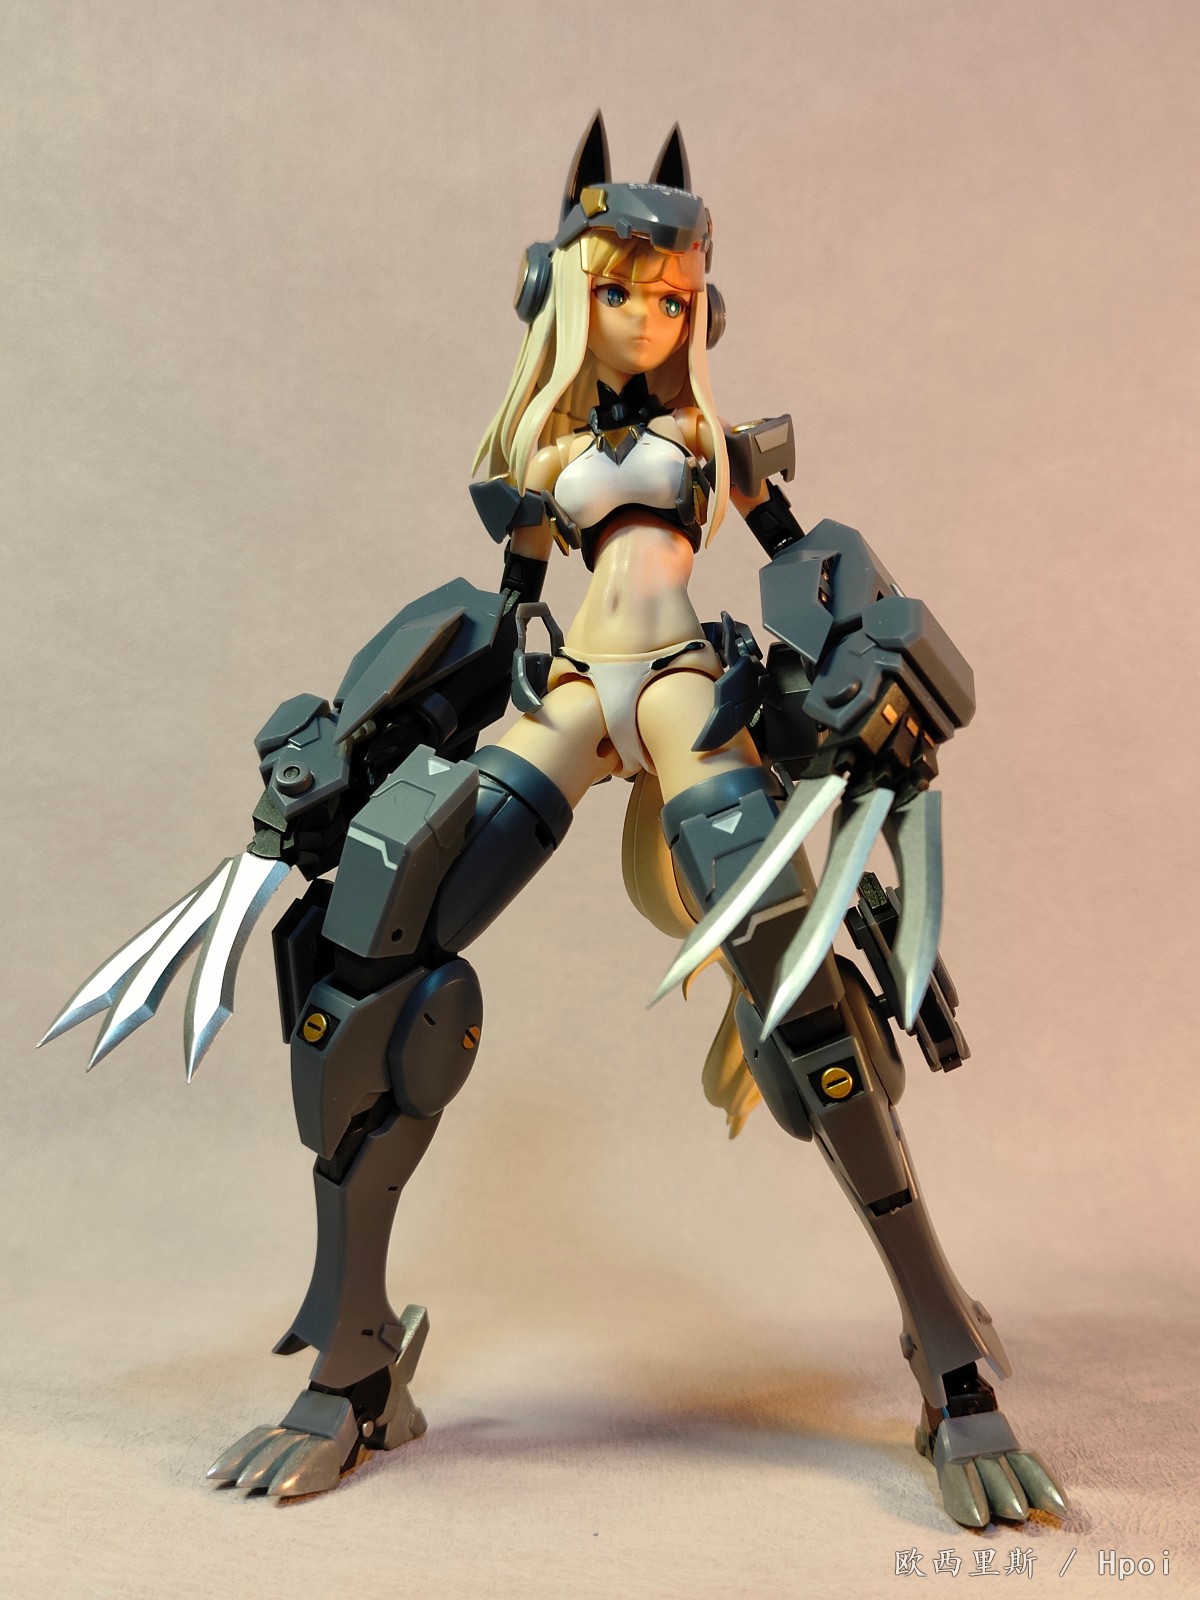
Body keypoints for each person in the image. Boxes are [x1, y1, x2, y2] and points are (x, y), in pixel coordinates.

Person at [42, 114, 1067, 1528]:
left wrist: (878, 682)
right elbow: (501, 607)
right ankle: (353, 1367)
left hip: (689, 687)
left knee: (800, 987)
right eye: (624, 289)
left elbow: (811, 565)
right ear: (567, 293)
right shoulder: (543, 444)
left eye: (676, 295)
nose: (652, 315)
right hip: (575, 687)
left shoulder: (718, 442)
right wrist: (349, 744)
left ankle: (945, 1351)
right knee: (367, 947)